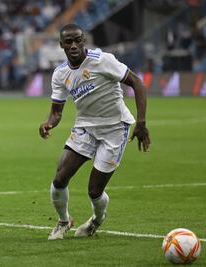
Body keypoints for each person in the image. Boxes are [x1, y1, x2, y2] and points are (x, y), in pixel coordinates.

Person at [39, 24, 151, 240]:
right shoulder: (60, 74)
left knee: (94, 191)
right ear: (61, 45)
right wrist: (49, 123)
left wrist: (141, 122)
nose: (74, 45)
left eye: (78, 40)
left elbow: (137, 82)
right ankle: (63, 221)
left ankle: (96, 220)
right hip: (85, 128)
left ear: (84, 41)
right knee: (60, 179)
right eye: (68, 41)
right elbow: (56, 112)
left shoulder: (103, 60)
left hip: (115, 128)